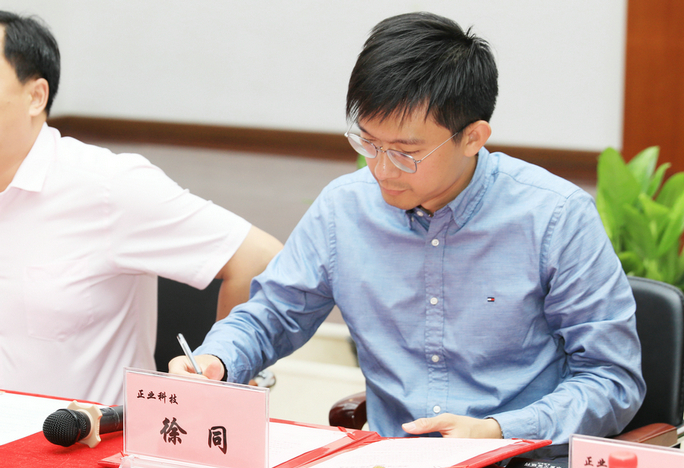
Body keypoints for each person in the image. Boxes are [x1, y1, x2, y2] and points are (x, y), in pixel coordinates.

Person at [170, 12, 645, 442]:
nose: (380, 169)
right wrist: (218, 360)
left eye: (406, 152)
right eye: (368, 143)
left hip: (518, 466)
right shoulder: (344, 207)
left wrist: (499, 431)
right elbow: (272, 314)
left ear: (473, 137)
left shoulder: (555, 217)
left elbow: (611, 380)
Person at [0, 11, 283, 406]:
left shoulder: (107, 186)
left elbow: (259, 258)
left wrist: (220, 375)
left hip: (82, 438)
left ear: (36, 96)